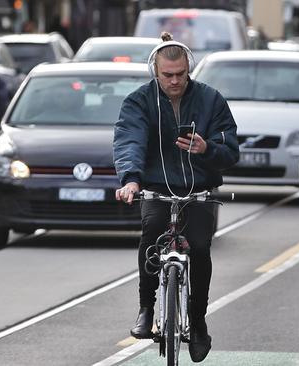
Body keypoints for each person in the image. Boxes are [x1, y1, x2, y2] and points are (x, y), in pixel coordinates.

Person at [113, 32, 239, 362]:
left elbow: (231, 151)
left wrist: (206, 148)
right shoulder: (138, 102)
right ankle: (146, 308)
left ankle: (197, 322)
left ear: (189, 69)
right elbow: (129, 142)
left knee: (199, 247)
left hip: (199, 191)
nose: (174, 81)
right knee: (151, 233)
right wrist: (130, 181)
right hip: (154, 188)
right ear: (155, 72)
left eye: (180, 74)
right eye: (167, 75)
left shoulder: (212, 100)